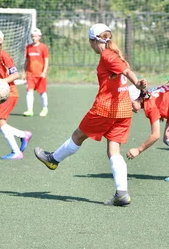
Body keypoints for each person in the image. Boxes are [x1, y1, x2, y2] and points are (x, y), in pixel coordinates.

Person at [34, 23, 147, 206]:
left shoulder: (107, 55)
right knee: (114, 151)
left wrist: (137, 83)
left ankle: (53, 159)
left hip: (105, 109)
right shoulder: (118, 54)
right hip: (123, 110)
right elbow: (124, 76)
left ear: (93, 41)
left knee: (78, 136)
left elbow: (126, 72)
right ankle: (122, 193)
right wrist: (137, 95)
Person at [0, 28, 32, 160]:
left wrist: (1, 83)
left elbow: (15, 74)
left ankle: (16, 152)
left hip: (9, 93)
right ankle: (23, 135)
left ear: (0, 41)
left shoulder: (3, 55)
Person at [22, 27, 50, 117]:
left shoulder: (43, 47)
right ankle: (29, 110)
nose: (34, 38)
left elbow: (46, 60)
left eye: (36, 36)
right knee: (29, 91)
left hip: (40, 74)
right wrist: (24, 72)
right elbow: (26, 61)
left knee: (42, 92)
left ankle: (45, 108)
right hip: (30, 74)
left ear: (39, 37)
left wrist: (44, 72)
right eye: (32, 36)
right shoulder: (28, 47)